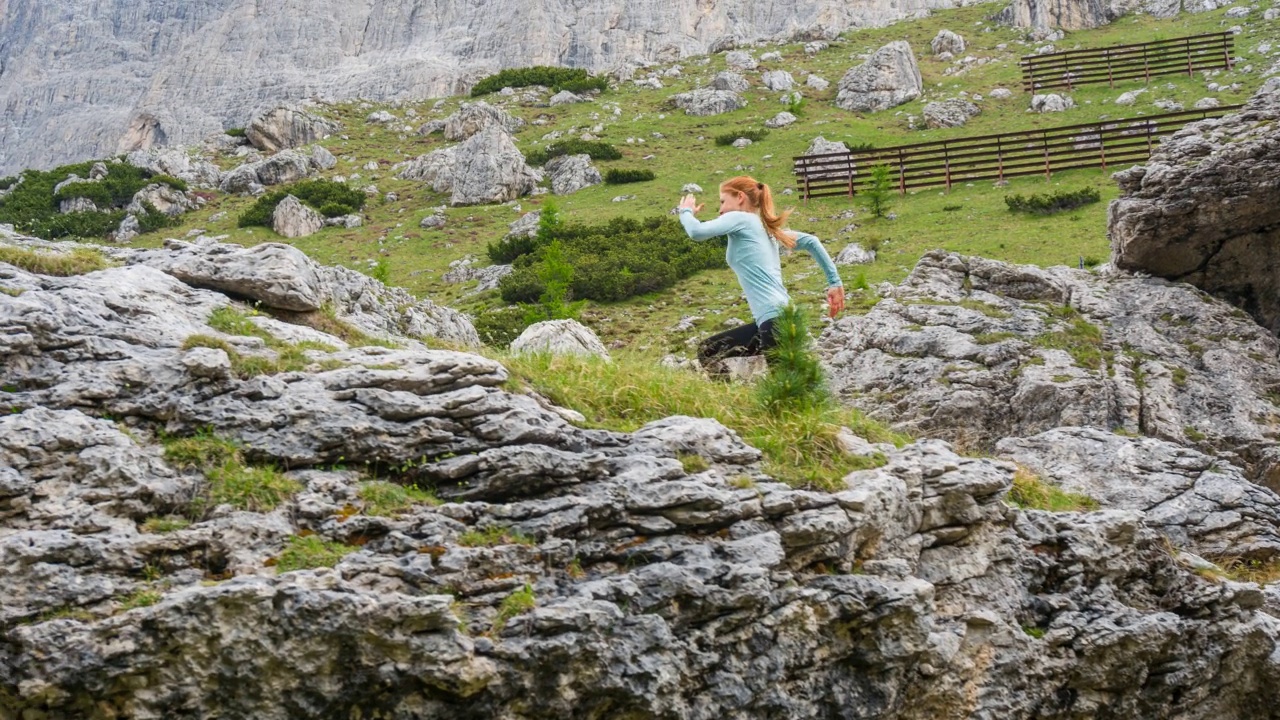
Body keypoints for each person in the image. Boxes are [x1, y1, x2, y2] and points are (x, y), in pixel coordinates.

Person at [676, 175, 844, 374]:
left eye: (722, 201)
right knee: (708, 351)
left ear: (740, 197)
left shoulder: (742, 218)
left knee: (784, 396)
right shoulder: (766, 229)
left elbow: (696, 231)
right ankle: (727, 400)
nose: (720, 210)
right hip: (783, 318)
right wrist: (835, 283)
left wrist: (685, 211)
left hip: (773, 322)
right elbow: (811, 241)